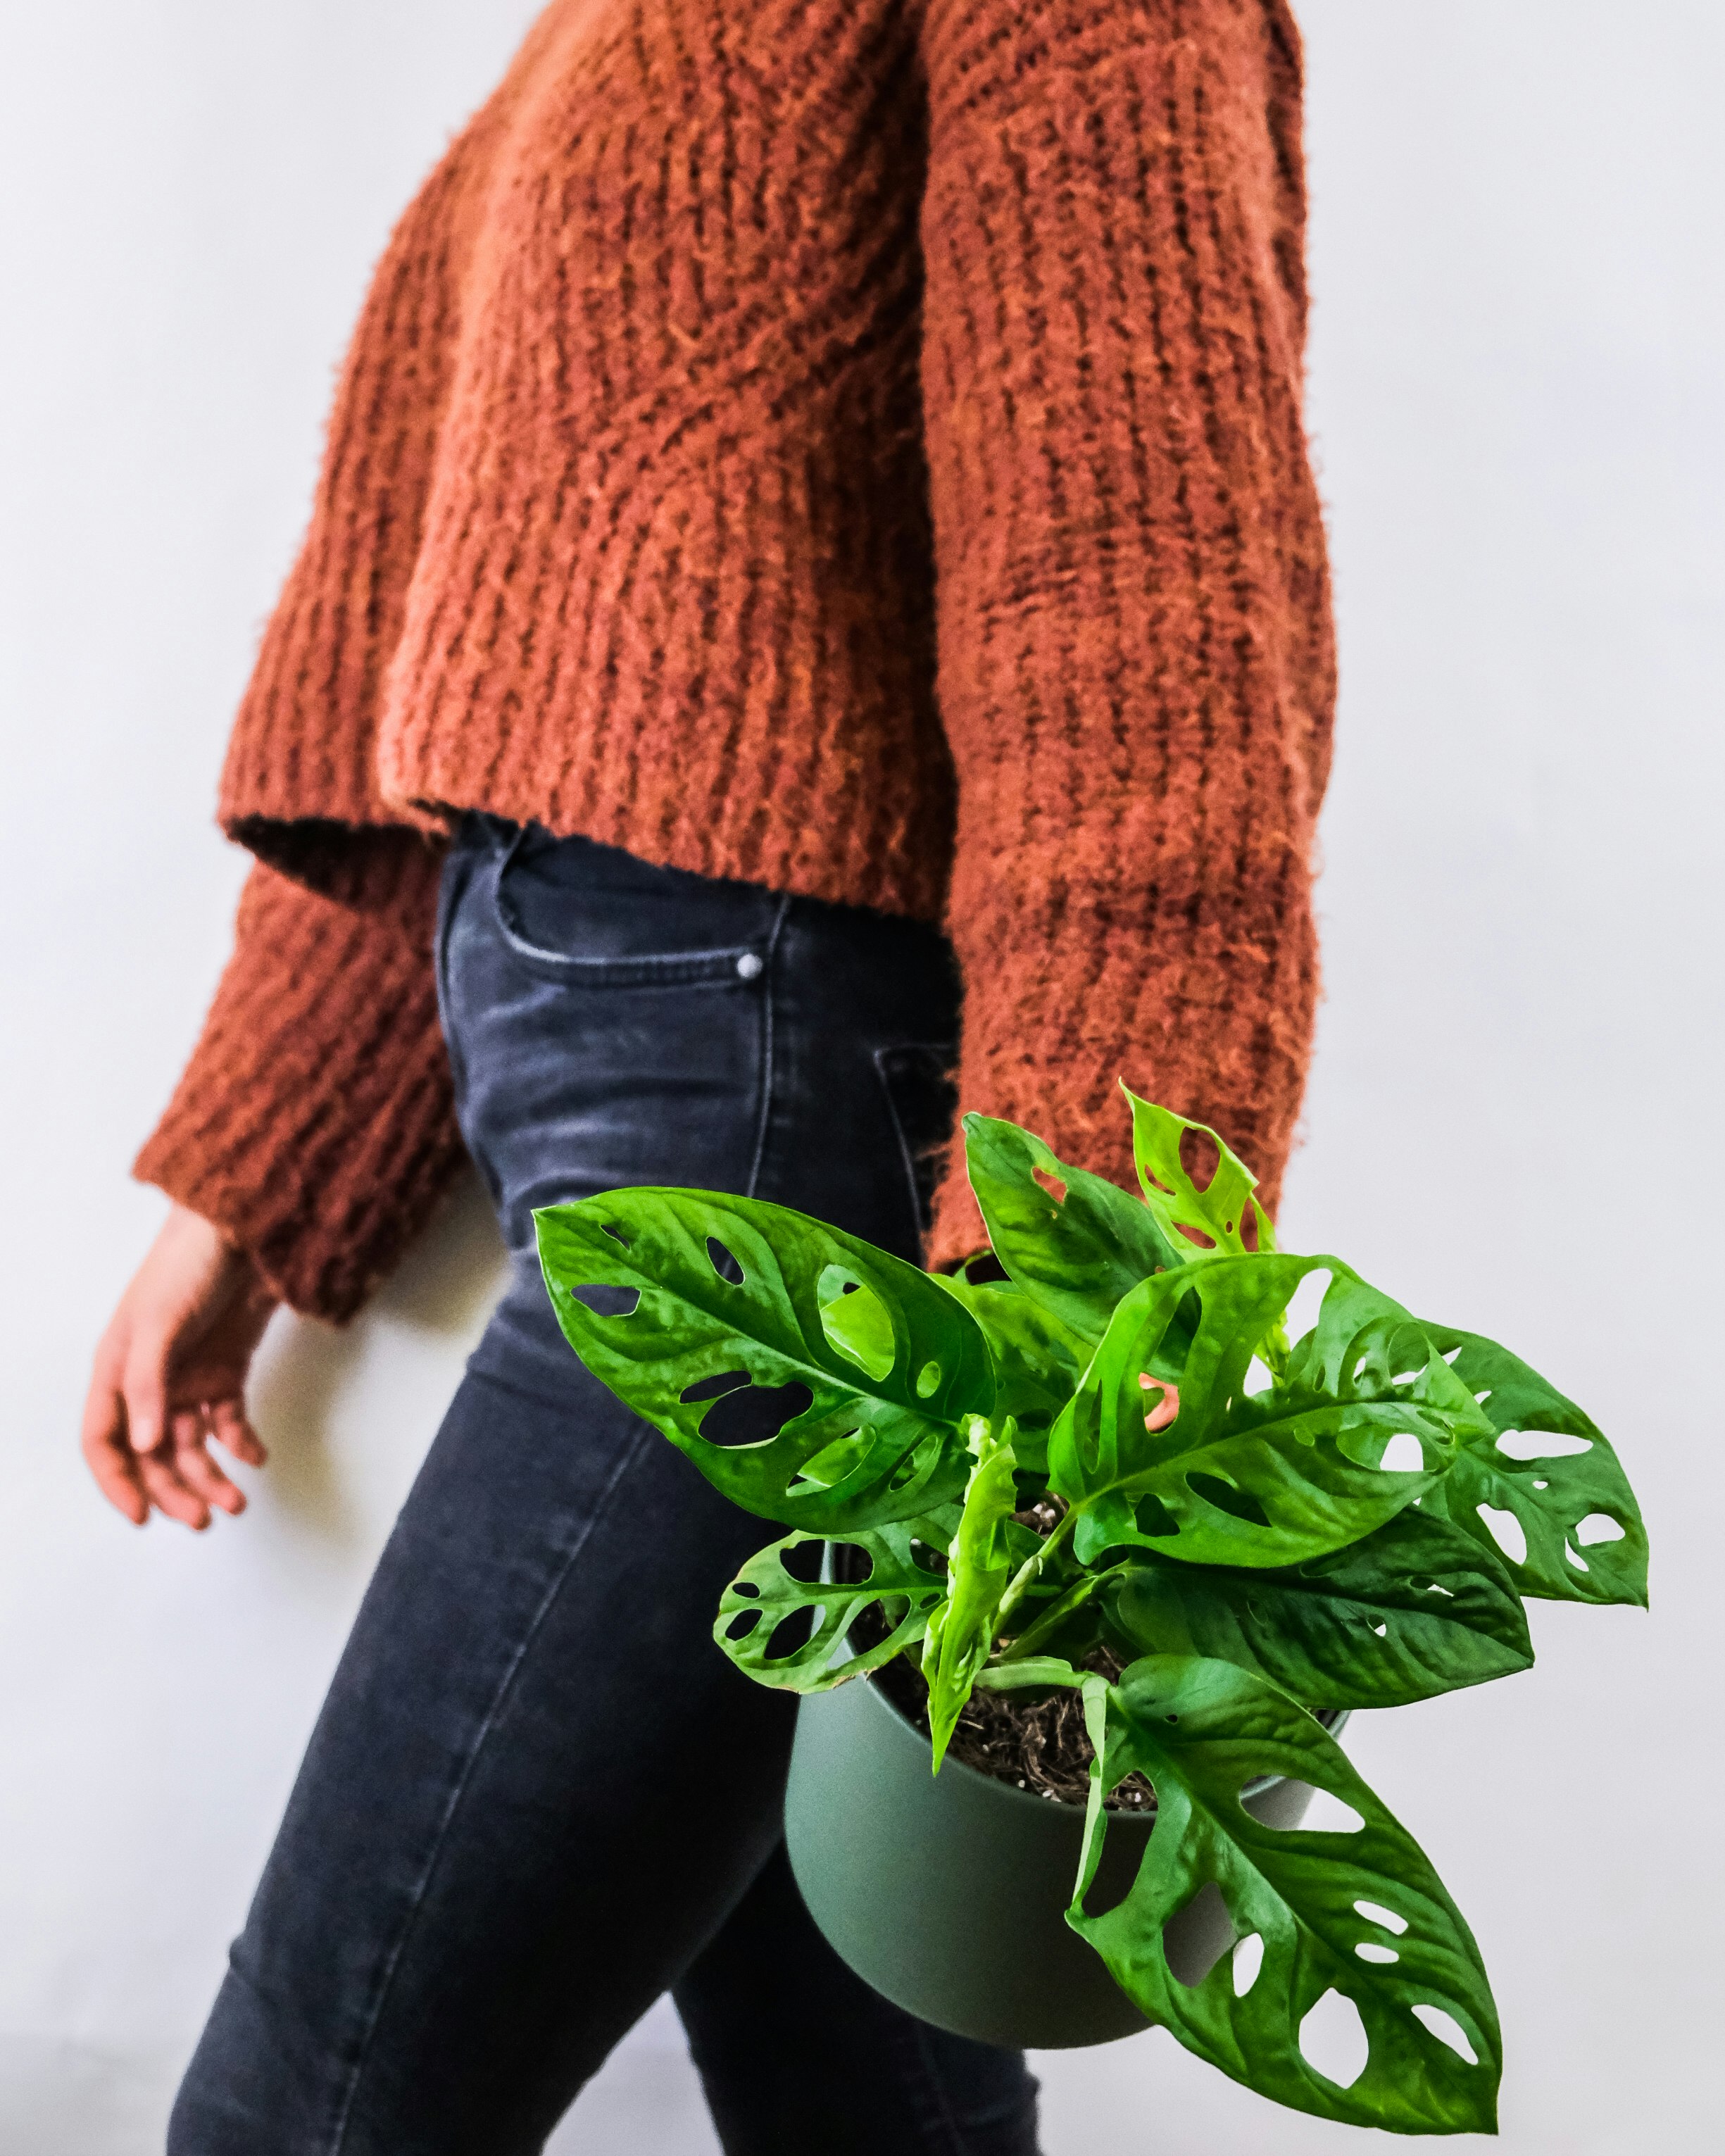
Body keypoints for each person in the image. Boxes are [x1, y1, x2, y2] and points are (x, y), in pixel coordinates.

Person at [80, 3, 1335, 2150]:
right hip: (649, 1094)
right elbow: (468, 674)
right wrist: (252, 1177)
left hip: (775, 1156)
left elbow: (1142, 594)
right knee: (870, 2105)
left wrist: (1089, 1265)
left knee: (320, 2103)